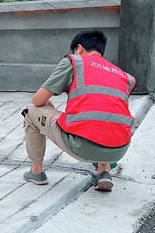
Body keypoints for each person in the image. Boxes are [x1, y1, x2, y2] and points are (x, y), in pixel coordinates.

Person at [22, 29, 136, 192]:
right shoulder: (124, 75)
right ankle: (104, 170)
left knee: (30, 111)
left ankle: (36, 172)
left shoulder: (75, 61)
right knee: (104, 121)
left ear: (79, 48)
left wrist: (47, 105)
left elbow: (37, 100)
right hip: (118, 149)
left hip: (80, 145)